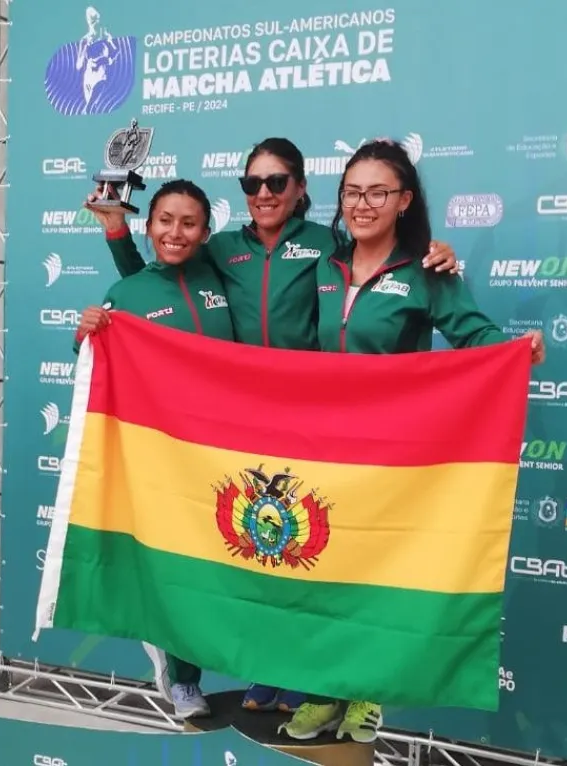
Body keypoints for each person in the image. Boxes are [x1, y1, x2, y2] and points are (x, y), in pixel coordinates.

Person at [86, 137, 462, 714]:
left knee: (303, 552)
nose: (263, 193)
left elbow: (380, 258)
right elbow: (160, 276)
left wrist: (434, 254)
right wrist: (116, 232)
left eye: (277, 182)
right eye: (251, 184)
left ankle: (301, 672)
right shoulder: (223, 248)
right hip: (235, 424)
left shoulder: (327, 245)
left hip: (311, 418)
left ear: (300, 188)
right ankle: (241, 668)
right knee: (254, 553)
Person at [277, 138, 545, 745]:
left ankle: (369, 691)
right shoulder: (326, 263)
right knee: (326, 572)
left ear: (404, 200)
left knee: (377, 575)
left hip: (394, 454)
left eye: (378, 191)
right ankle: (326, 688)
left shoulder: (428, 268)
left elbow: (475, 334)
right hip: (325, 448)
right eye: (352, 191)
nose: (363, 203)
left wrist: (514, 350)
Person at [74, 179, 233, 721]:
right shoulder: (129, 294)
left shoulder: (220, 273)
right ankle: (183, 678)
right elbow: (100, 368)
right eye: (165, 220)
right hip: (166, 457)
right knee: (178, 570)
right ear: (149, 226)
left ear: (206, 233)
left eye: (189, 223)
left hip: (227, 450)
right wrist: (86, 334)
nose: (176, 231)